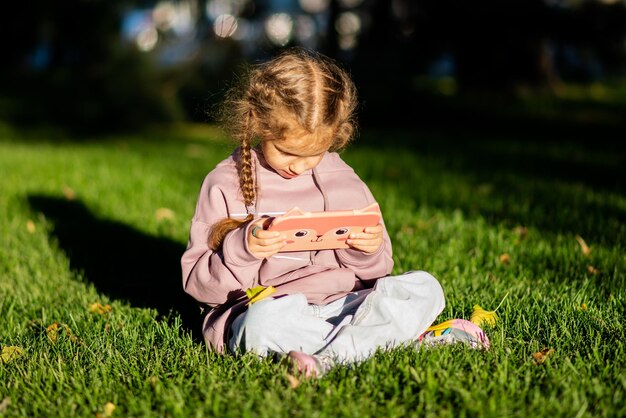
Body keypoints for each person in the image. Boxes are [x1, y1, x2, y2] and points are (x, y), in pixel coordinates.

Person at [181, 48, 488, 377]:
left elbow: (378, 273)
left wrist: (367, 251)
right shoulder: (225, 183)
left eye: (314, 154)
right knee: (260, 325)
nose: (299, 167)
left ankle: (324, 356)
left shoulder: (344, 181)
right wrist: (244, 250)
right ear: (258, 122)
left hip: (346, 304)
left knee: (425, 287)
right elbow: (200, 289)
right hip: (272, 311)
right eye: (287, 152)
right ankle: (382, 344)